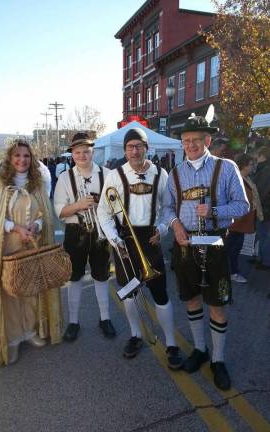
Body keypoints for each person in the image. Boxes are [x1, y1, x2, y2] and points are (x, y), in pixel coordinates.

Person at [163, 114, 249, 390]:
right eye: (186, 141)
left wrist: (213, 211)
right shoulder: (175, 173)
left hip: (214, 244)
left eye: (196, 140)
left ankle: (218, 359)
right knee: (190, 300)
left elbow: (242, 206)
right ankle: (200, 349)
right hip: (185, 246)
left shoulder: (227, 168)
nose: (190, 145)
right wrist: (175, 225)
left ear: (207, 140)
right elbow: (166, 209)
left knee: (217, 304)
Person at [97, 128, 183, 369]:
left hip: (150, 239)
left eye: (139, 146)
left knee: (160, 294)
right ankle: (135, 335)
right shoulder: (115, 176)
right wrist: (114, 238)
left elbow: (168, 208)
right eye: (130, 147)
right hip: (124, 240)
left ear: (147, 148)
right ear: (125, 150)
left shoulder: (160, 174)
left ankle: (171, 343)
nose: (135, 151)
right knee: (130, 293)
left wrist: (163, 228)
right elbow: (103, 212)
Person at [0, 139, 62, 366]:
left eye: (26, 156)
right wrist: (14, 227)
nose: (22, 160)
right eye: (17, 156)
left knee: (30, 290)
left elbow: (44, 216)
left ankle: (29, 331)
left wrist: (36, 227)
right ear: (9, 158)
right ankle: (13, 339)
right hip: (7, 249)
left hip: (31, 247)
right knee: (10, 293)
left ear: (31, 159)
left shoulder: (37, 185)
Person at [54, 132, 116, 341]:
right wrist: (79, 205)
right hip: (75, 232)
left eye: (86, 151)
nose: (82, 155)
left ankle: (105, 318)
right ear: (72, 154)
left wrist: (102, 204)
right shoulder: (64, 177)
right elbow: (59, 211)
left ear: (93, 152)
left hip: (100, 231)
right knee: (75, 277)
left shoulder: (107, 174)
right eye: (78, 152)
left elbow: (116, 206)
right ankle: (73, 321)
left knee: (101, 276)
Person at [228, 154, 263, 283]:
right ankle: (231, 272)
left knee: (235, 247)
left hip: (241, 221)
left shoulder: (245, 178)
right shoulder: (237, 179)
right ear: (244, 165)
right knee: (231, 248)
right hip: (236, 221)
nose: (252, 166)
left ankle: (231, 271)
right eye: (250, 164)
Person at [253, 146, 270, 270]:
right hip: (264, 208)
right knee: (261, 235)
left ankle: (265, 262)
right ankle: (261, 259)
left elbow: (261, 192)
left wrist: (258, 208)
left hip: (264, 209)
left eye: (257, 155)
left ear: (262, 156)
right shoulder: (264, 168)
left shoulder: (266, 170)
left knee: (264, 236)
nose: (255, 158)